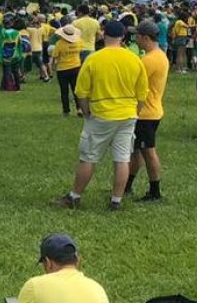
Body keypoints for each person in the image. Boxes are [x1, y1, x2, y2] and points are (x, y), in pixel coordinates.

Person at [53, 21, 149, 211]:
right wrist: (135, 112)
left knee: (89, 157)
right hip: (128, 114)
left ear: (103, 35)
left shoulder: (94, 59)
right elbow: (142, 94)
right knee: (122, 158)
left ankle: (74, 196)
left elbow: (81, 92)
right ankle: (116, 200)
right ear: (122, 37)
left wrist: (86, 112)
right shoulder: (134, 59)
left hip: (101, 114)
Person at [128, 20, 169, 201]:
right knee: (135, 151)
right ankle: (127, 185)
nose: (135, 39)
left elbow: (133, 83)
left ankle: (155, 191)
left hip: (146, 113)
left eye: (137, 36)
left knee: (148, 151)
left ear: (145, 38)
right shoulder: (160, 55)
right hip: (151, 110)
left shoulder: (148, 60)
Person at [50, 24, 85, 116]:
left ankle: (66, 110)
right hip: (76, 67)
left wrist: (52, 66)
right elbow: (81, 50)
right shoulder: (79, 42)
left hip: (62, 69)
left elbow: (55, 56)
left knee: (64, 91)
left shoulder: (59, 44)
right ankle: (79, 108)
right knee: (76, 90)